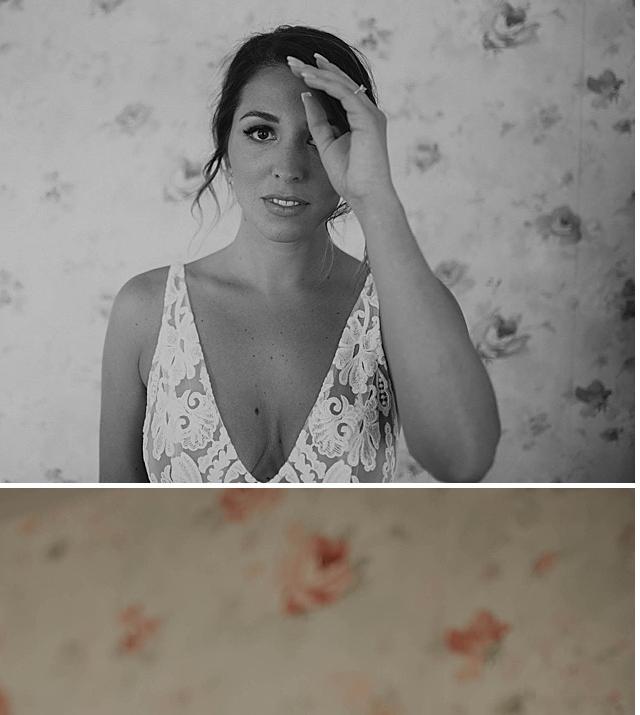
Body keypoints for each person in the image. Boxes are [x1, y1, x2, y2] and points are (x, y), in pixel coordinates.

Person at [99, 28, 499, 484]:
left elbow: (463, 462)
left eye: (315, 138)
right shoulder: (145, 310)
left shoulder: (398, 309)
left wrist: (374, 195)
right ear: (225, 148)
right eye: (261, 132)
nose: (288, 168)